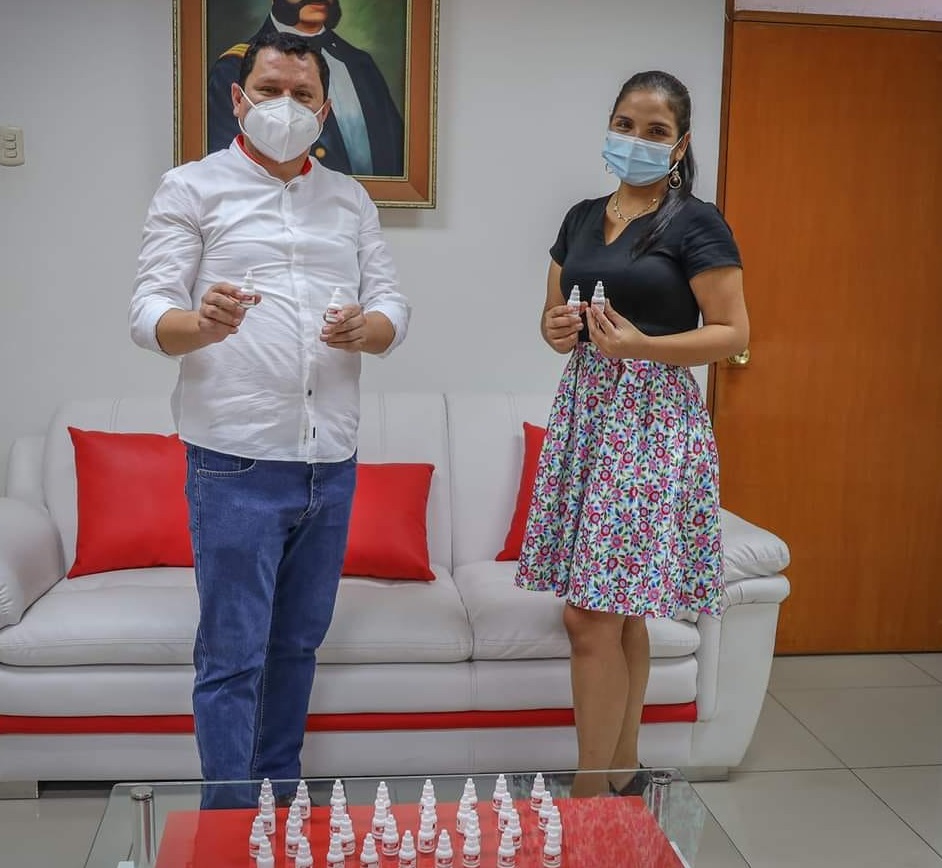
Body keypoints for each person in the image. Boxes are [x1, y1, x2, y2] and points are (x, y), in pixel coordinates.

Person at [129, 31, 411, 806]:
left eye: (302, 93)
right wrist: (201, 324)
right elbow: (147, 312)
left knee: (296, 649)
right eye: (270, 89)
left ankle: (279, 806)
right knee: (233, 657)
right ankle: (228, 823)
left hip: (331, 460)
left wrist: (369, 329)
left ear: (324, 108)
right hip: (235, 462)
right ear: (238, 98)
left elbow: (392, 303)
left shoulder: (349, 200)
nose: (285, 105)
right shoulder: (190, 188)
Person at [514, 71, 749, 799]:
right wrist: (557, 330)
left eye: (655, 131)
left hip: (651, 421)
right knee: (616, 614)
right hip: (587, 409)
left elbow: (734, 333)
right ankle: (620, 774)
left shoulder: (696, 222)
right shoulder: (583, 217)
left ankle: (588, 798)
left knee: (589, 614)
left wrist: (641, 346)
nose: (636, 140)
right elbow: (554, 319)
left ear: (679, 145)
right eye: (625, 124)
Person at [208, 0, 404, 176]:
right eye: (270, 90)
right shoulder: (234, 66)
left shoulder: (361, 64)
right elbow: (229, 172)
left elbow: (394, 150)